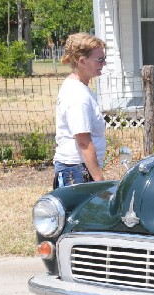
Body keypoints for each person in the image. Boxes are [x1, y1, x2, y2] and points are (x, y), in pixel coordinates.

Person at [52, 32, 107, 188]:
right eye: (100, 59)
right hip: (76, 172)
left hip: (79, 170)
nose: (104, 63)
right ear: (82, 61)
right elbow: (83, 142)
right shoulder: (78, 96)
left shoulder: (82, 88)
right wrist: (99, 179)